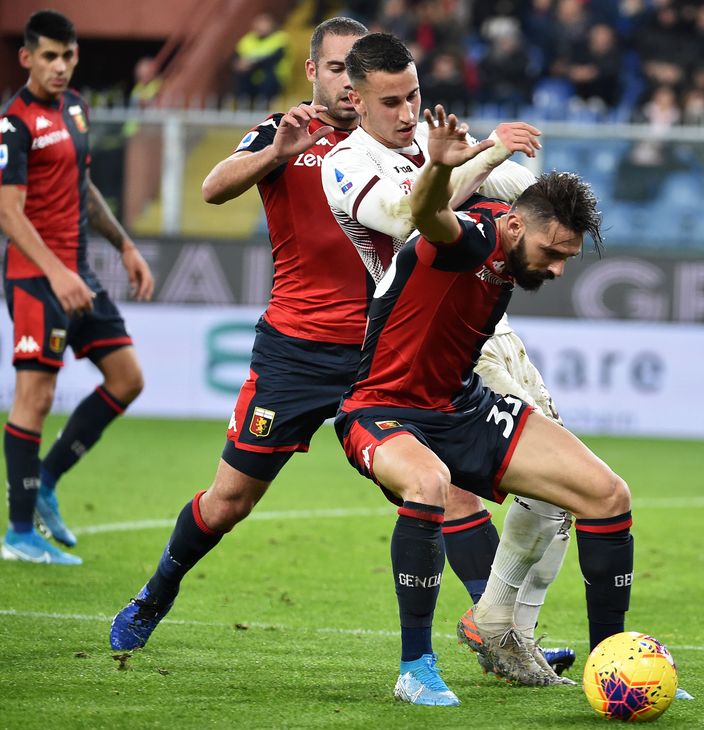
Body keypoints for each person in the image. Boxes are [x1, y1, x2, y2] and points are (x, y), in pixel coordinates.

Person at [332, 103, 633, 709]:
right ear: (519, 230)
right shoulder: (468, 240)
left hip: (461, 407)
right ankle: (415, 665)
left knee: (608, 496)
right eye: (553, 252)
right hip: (383, 410)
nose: (555, 268)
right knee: (428, 483)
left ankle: (612, 670)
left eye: (567, 258)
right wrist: (440, 167)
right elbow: (426, 214)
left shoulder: (512, 222)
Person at [110, 17, 375, 649]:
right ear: (311, 71)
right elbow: (212, 187)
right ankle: (157, 591)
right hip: (296, 353)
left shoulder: (391, 141)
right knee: (229, 501)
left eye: (358, 72)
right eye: (337, 69)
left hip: (379, 350)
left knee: (444, 491)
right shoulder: (284, 134)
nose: (349, 84)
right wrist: (275, 155)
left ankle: (500, 631)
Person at [0, 10, 154, 565]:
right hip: (35, 276)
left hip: (77, 272)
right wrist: (56, 272)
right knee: (34, 397)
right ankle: (18, 533)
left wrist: (125, 245)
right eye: (49, 56)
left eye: (68, 56)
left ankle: (43, 480)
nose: (60, 66)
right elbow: (9, 214)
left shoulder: (76, 109)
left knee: (127, 377)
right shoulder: (13, 123)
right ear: (27, 58)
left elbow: (81, 184)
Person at [233, 13, 289, 103]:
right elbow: (236, 56)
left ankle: (262, 102)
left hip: (274, 77)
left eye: (265, 23)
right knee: (242, 74)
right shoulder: (248, 39)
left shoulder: (280, 38)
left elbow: (274, 58)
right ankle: (243, 103)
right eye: (260, 23)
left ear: (272, 25)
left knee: (269, 74)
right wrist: (239, 63)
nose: (262, 26)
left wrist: (252, 63)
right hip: (251, 75)